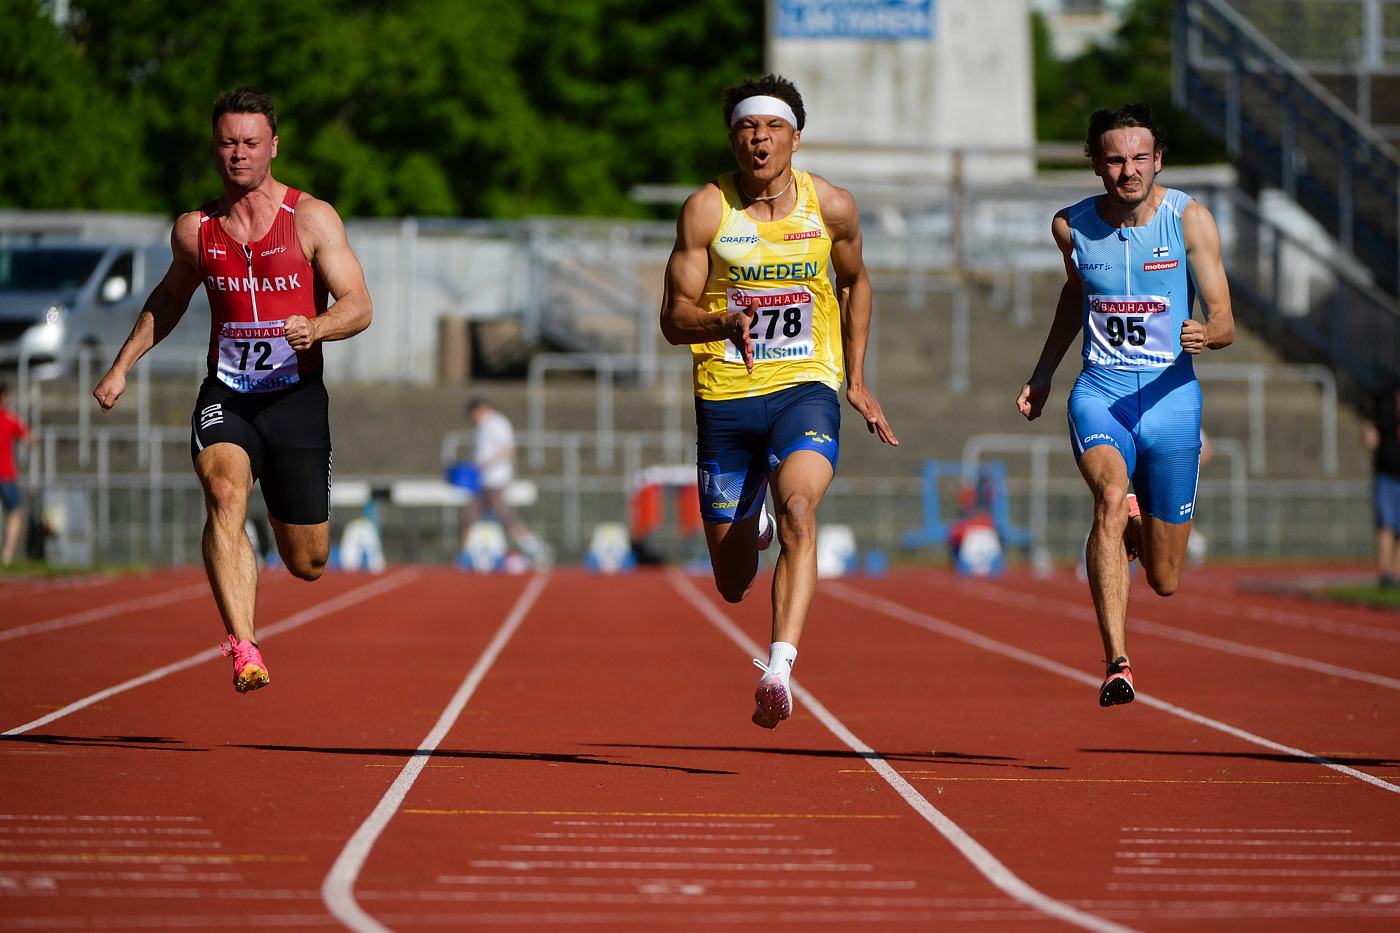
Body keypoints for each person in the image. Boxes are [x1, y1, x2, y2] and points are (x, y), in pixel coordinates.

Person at [93, 87, 372, 693]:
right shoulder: (196, 230)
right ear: (214, 149)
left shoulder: (312, 218)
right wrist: (122, 367)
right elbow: (168, 300)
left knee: (308, 563)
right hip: (229, 393)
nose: (238, 154)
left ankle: (278, 513)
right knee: (222, 492)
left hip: (295, 397)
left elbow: (360, 305)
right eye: (227, 143)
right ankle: (244, 646)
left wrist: (317, 326)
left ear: (273, 146)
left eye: (250, 143)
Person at [660, 74, 898, 730]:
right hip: (727, 399)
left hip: (804, 387)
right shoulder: (707, 211)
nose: (757, 140)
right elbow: (673, 317)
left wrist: (855, 377)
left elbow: (856, 282)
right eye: (745, 129)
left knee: (800, 508)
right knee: (734, 583)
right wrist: (720, 324)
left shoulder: (832, 207)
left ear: (795, 137)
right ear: (732, 138)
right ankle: (750, 521)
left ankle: (779, 667)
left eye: (770, 129)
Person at [1016, 104, 1234, 708]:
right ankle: (1118, 661)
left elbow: (1225, 319)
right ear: (1096, 164)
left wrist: (1208, 333)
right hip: (1102, 394)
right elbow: (1074, 296)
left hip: (1171, 399)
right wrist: (1042, 376)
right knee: (1109, 496)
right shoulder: (1071, 227)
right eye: (1115, 159)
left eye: (1140, 157)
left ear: (1158, 160)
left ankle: (1141, 518)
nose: (1128, 170)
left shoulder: (1190, 220)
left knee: (1165, 579)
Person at [457, 398, 547, 566]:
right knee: (471, 514)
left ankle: (532, 547)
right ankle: (465, 553)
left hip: (495, 478)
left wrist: (486, 464)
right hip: (480, 480)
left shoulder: (496, 423)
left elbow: (507, 449)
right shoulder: (481, 427)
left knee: (504, 514)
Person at [1362, 382, 1400, 588]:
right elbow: (1370, 442)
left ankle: (1396, 573)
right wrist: (1369, 420)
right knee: (1386, 524)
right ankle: (1385, 573)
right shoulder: (1385, 418)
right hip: (1386, 478)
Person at [0, 382, 33, 565]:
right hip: (5, 474)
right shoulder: (9, 418)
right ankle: (7, 555)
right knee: (15, 513)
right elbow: (30, 438)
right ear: (4, 397)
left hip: (6, 474)